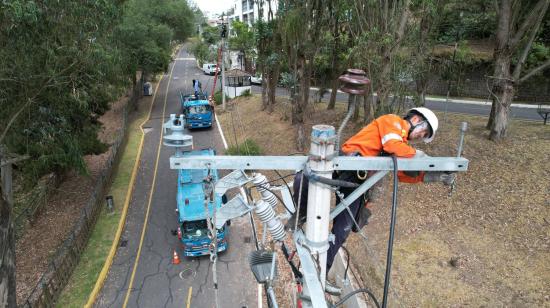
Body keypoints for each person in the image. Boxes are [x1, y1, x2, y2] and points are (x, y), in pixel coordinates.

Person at [291, 107, 456, 294]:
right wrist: (426, 159)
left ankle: (319, 273)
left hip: (357, 183)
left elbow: (402, 172)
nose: (421, 136)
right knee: (306, 179)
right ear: (417, 119)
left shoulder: (400, 145)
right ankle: (300, 216)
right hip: (347, 167)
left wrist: (434, 176)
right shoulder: (392, 122)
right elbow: (393, 146)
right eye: (423, 132)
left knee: (342, 230)